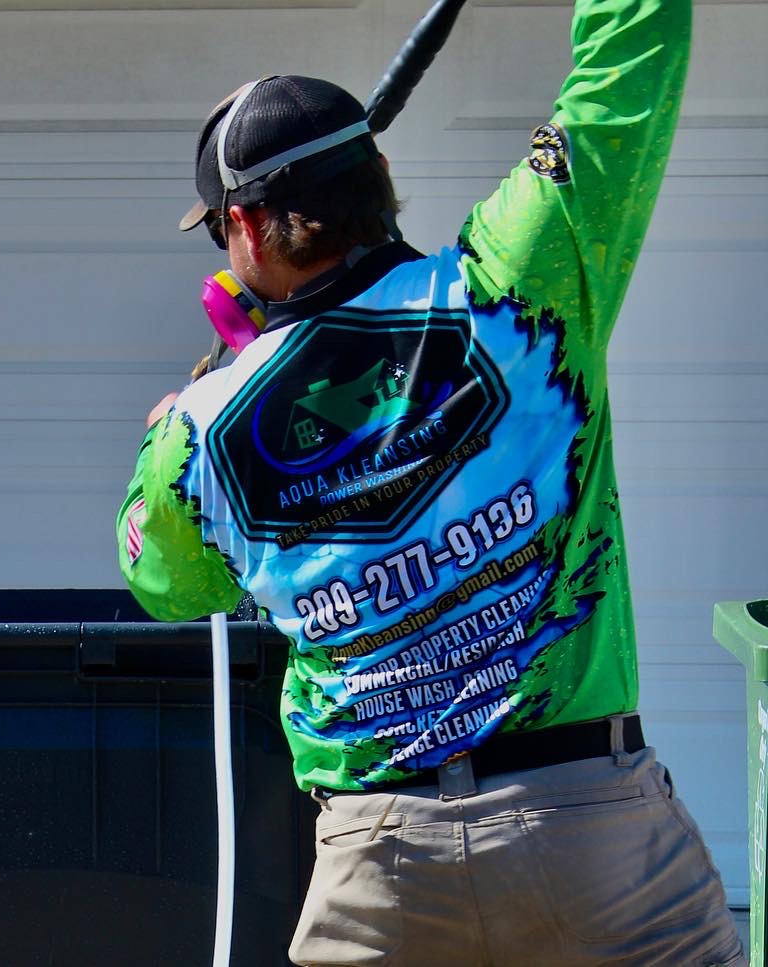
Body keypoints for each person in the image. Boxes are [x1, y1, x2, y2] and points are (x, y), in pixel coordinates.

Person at [117, 0, 747, 963]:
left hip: (382, 869)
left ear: (245, 227)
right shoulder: (516, 282)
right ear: (379, 179)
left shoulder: (200, 436)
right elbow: (630, 61)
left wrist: (178, 424)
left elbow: (167, 584)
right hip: (592, 834)